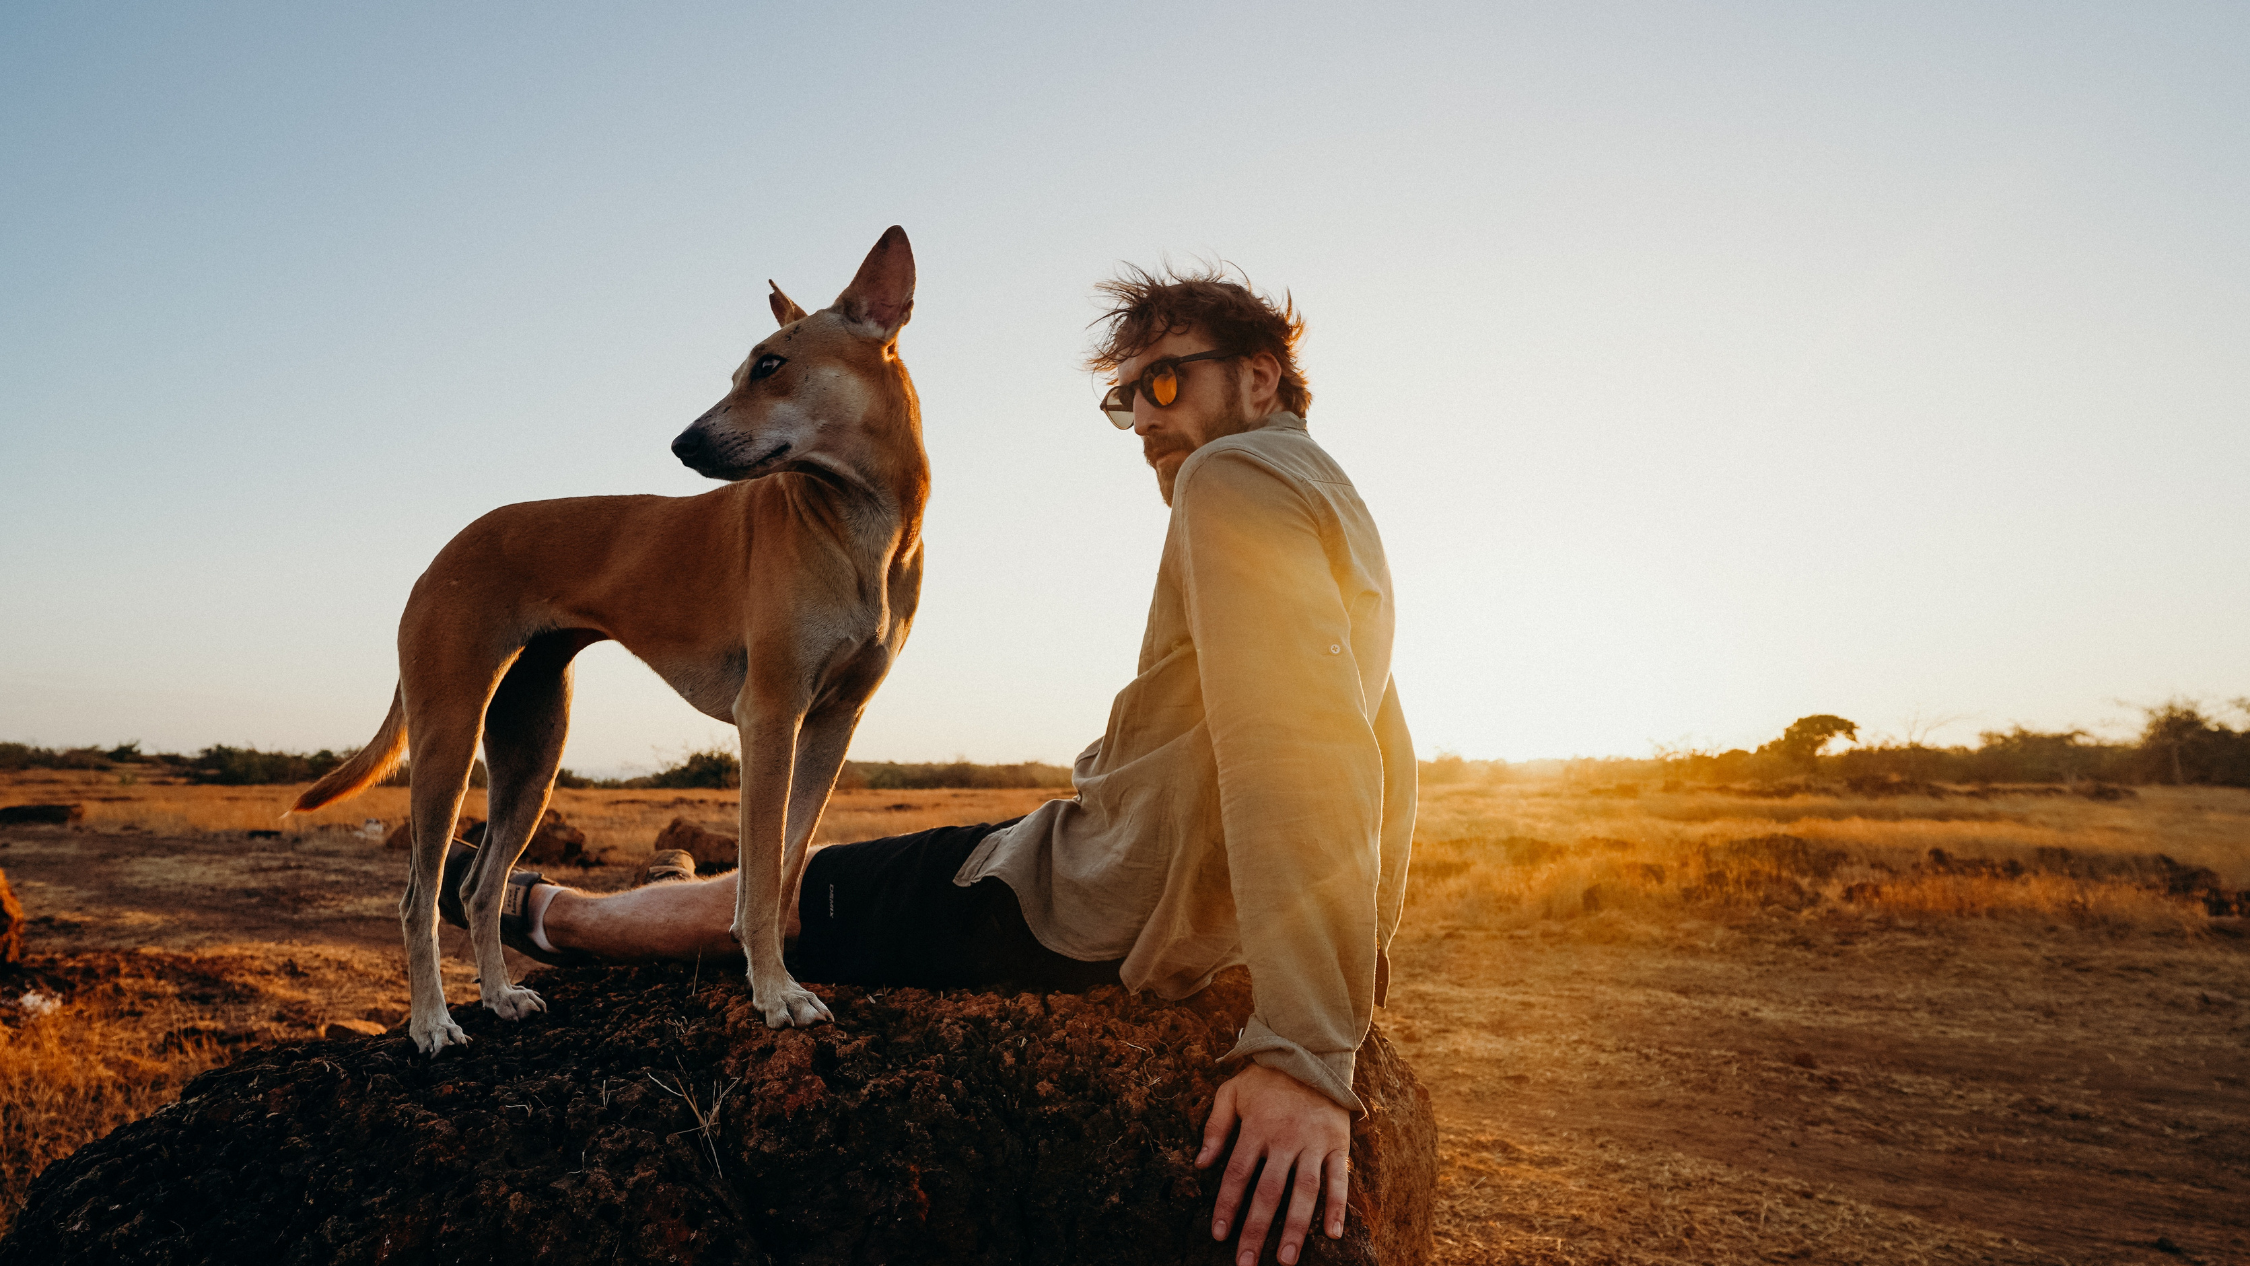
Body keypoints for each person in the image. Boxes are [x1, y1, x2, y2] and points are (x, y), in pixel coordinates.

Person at [451, 265, 1415, 1266]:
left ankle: (549, 914)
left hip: (1085, 900)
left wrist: (1305, 1050)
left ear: (1261, 379)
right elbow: (1382, 743)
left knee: (802, 890)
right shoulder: (1332, 498)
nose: (1140, 420)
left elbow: (1297, 739)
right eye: (1123, 396)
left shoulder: (1229, 478)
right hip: (1172, 895)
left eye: (1163, 384)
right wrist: (1361, 966)